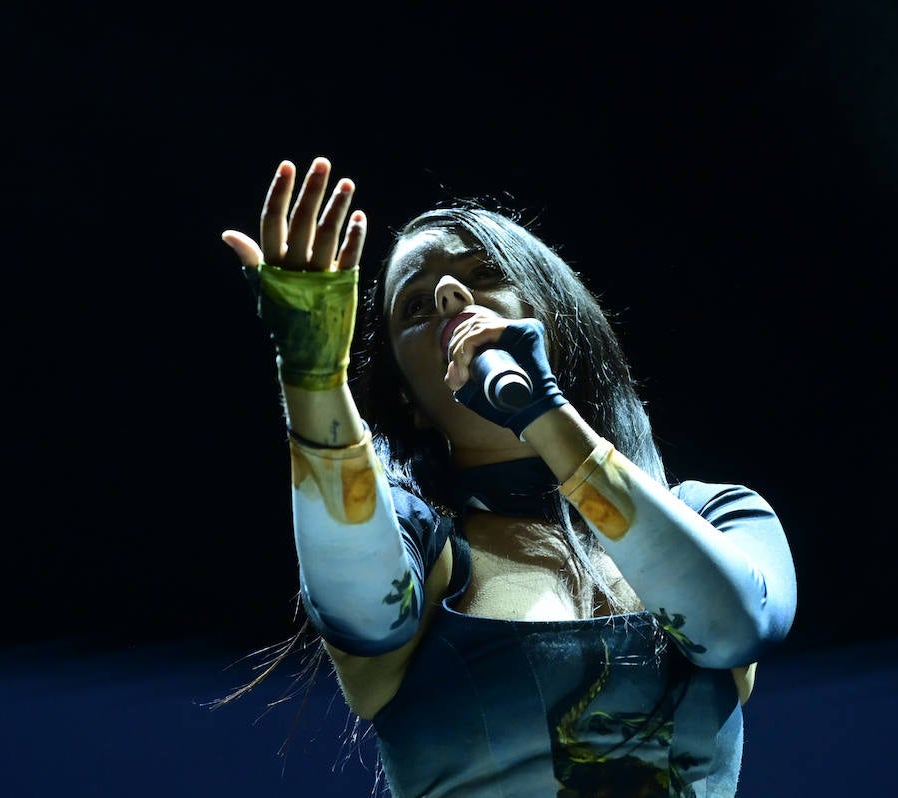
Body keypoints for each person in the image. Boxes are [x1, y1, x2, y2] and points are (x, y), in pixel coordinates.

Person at [218, 155, 798, 797]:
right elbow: (360, 608)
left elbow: (733, 626)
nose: (448, 296)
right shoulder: (419, 547)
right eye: (414, 305)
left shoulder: (720, 515)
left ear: (554, 325)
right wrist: (312, 379)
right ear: (408, 396)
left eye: (483, 274)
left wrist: (543, 417)